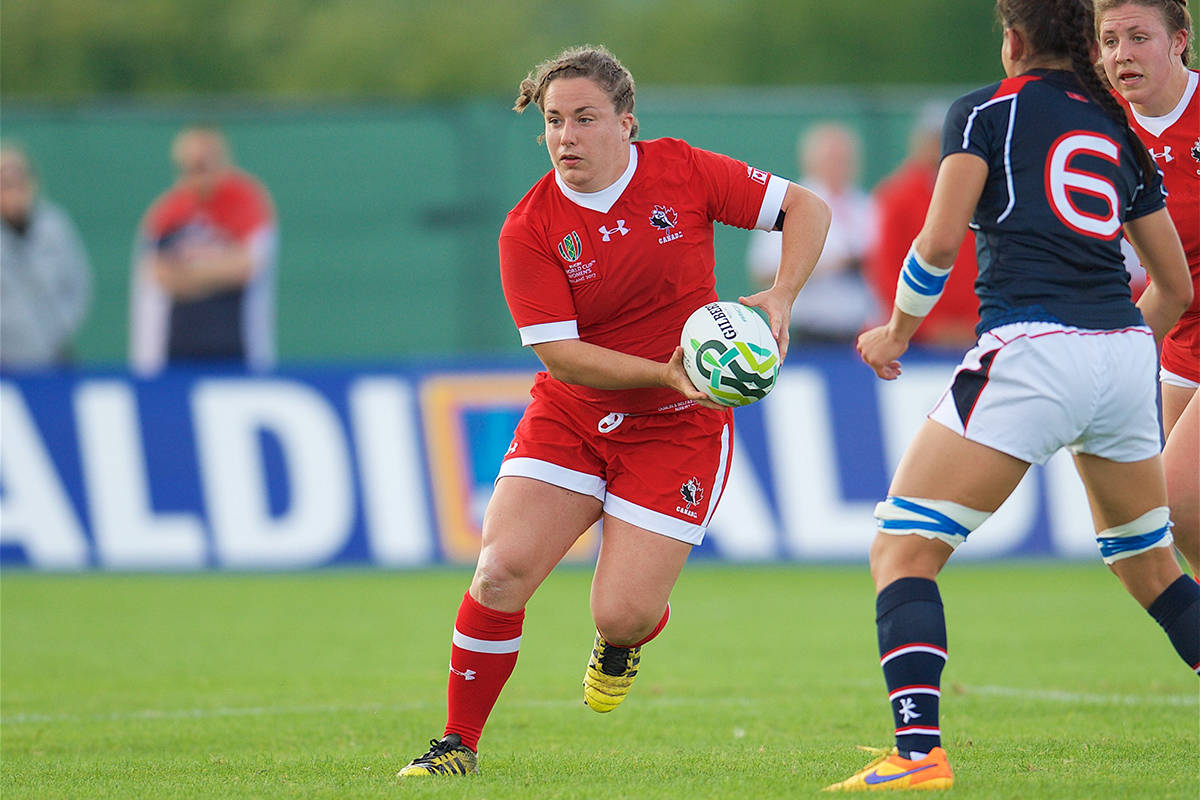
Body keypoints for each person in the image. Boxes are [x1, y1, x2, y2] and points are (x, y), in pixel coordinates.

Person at [398, 44, 830, 777]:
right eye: (554, 121)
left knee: (620, 613)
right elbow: (560, 355)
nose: (566, 136)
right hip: (573, 415)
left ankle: (625, 639)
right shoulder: (528, 227)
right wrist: (667, 370)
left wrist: (782, 296)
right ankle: (455, 744)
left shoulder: (682, 170)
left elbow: (805, 207)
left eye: (585, 118)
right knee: (499, 572)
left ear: (626, 123)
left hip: (679, 429)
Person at [825, 0, 1196, 791]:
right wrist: (1115, 346)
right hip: (1125, 352)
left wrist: (894, 331)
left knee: (902, 547)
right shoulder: (1114, 126)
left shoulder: (984, 111)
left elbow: (936, 241)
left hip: (1032, 348)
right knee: (1150, 569)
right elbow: (1176, 283)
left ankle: (918, 754)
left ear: (1015, 38)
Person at [1096, 0, 1199, 579]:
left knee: (1177, 499)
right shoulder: (1103, 127)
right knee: (1191, 526)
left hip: (1176, 312)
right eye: (1110, 42)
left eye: (1139, 37)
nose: (1122, 55)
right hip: (1180, 330)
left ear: (1179, 41)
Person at [129, 125, 278, 374]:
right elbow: (157, 275)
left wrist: (187, 274)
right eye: (189, 167)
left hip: (235, 349)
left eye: (203, 165)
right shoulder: (167, 212)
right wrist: (215, 271)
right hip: (178, 349)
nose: (196, 176)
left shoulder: (246, 202)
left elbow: (246, 266)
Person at [746, 123, 877, 344]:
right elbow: (763, 270)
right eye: (832, 159)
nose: (839, 166)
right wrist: (833, 264)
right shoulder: (791, 204)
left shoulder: (864, 206)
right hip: (810, 330)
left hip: (858, 330)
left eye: (844, 160)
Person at [866, 104, 979, 349]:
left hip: (973, 332)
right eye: (934, 138)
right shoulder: (896, 196)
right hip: (916, 339)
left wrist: (974, 323)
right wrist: (923, 325)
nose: (940, 145)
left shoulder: (979, 192)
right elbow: (884, 269)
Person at [0, 144, 92, 367]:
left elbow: (78, 285)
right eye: (5, 184)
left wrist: (55, 332)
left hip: (52, 353)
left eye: (19, 182)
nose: (14, 193)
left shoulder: (54, 225)